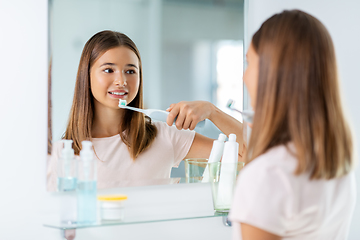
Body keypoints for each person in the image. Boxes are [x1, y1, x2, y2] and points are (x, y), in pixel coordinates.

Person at [47, 30, 244, 190]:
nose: (121, 81)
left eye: (131, 71)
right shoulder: (61, 154)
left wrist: (212, 112)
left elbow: (249, 154)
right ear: (86, 76)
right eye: (109, 70)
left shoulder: (166, 136)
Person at [229, 10, 356, 240]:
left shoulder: (267, 175)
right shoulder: (337, 166)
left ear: (272, 74)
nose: (244, 76)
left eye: (249, 63)